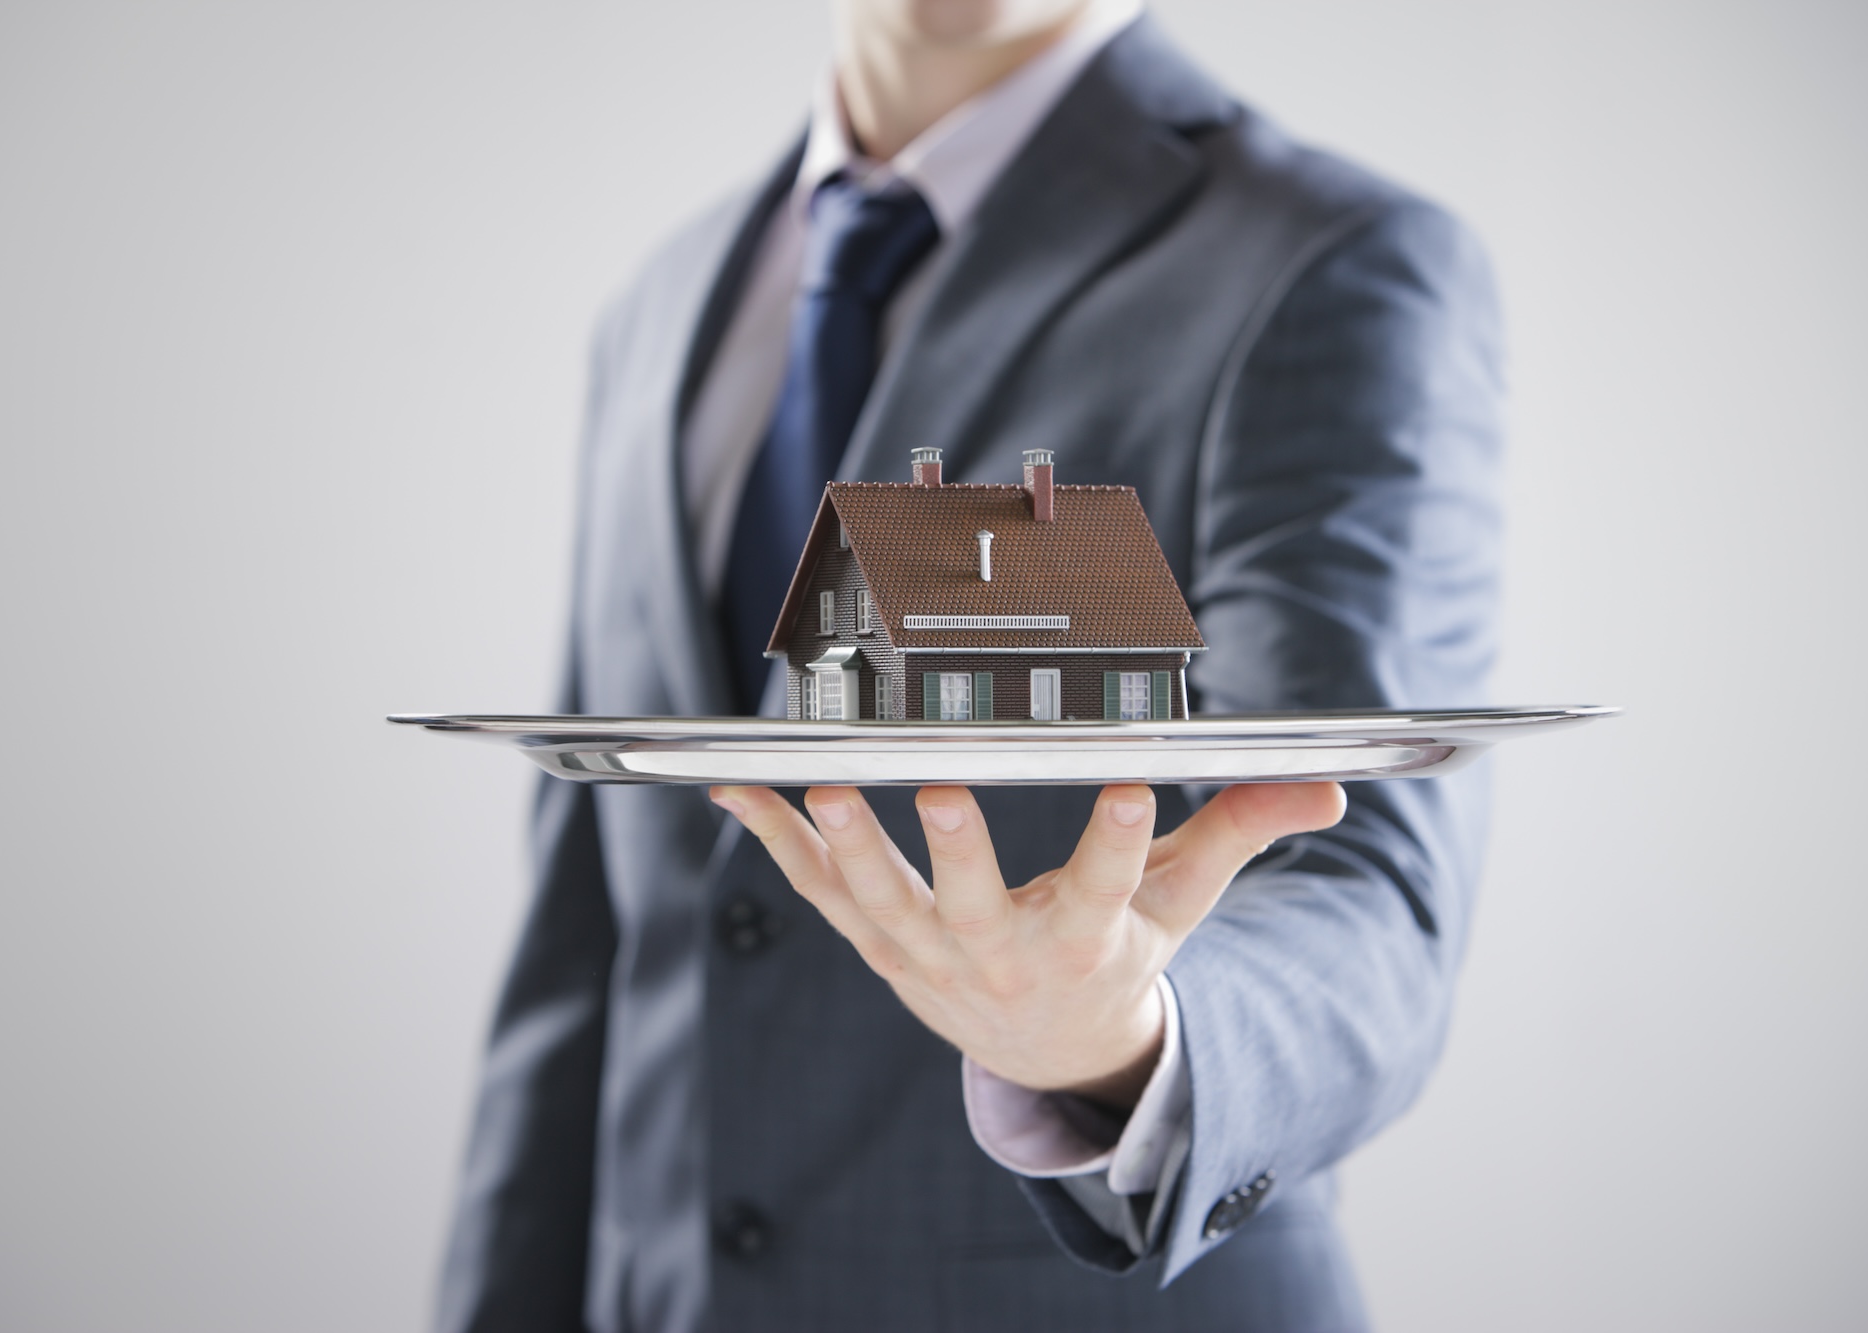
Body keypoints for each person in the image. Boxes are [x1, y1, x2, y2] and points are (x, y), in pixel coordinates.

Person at [437, 0, 1502, 1328]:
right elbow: (586, 936)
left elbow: (1365, 889)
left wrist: (1116, 1040)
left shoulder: (1331, 259)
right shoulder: (659, 307)